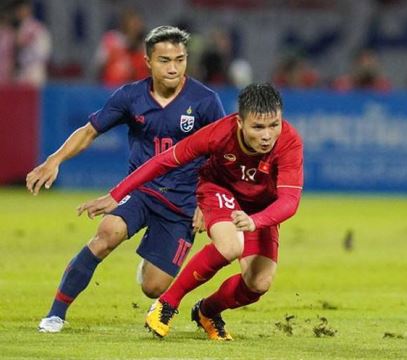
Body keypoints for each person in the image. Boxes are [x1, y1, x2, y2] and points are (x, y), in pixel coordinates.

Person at [26, 25, 226, 333]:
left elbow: (222, 154)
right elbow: (90, 131)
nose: (173, 67)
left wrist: (207, 202)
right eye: (164, 60)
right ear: (147, 61)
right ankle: (55, 315)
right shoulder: (131, 96)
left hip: (183, 202)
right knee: (108, 231)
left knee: (153, 287)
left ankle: (151, 260)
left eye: (179, 59)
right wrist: (55, 160)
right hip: (142, 189)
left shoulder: (206, 101)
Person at [78, 83, 304, 341]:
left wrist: (256, 220)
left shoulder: (289, 141)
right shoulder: (219, 133)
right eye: (258, 127)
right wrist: (117, 194)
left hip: (260, 209)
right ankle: (167, 303)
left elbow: (289, 201)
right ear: (240, 122)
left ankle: (207, 312)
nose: (267, 135)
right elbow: (163, 161)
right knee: (230, 246)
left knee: (258, 284)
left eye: (274, 125)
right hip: (221, 190)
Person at [93, 8, 149, 87]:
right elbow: (99, 66)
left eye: (138, 23)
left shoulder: (145, 46)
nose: (136, 27)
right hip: (111, 89)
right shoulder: (111, 40)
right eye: (133, 23)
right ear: (125, 23)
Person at [9, 0, 52, 86]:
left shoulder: (35, 27)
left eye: (20, 9)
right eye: (16, 10)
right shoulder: (20, 26)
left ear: (28, 10)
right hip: (22, 70)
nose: (18, 13)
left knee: (33, 96)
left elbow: (45, 51)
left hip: (34, 68)